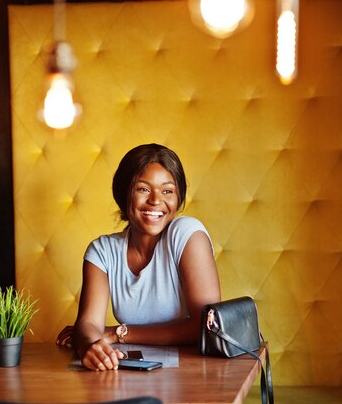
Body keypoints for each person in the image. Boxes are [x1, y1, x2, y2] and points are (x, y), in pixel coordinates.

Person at [56, 143, 221, 371]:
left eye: (167, 191)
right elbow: (89, 324)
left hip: (194, 374)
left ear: (178, 197)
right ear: (124, 193)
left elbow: (207, 326)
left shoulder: (186, 234)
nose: (155, 200)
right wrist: (89, 346)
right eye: (143, 189)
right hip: (129, 376)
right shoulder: (102, 251)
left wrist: (117, 333)